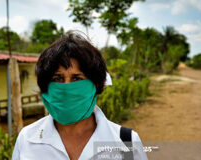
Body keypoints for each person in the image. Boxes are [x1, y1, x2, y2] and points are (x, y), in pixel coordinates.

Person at [12, 32, 148, 160]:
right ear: (45, 87)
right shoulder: (27, 139)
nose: (66, 87)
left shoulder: (126, 142)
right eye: (58, 78)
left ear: (95, 84)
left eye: (76, 78)